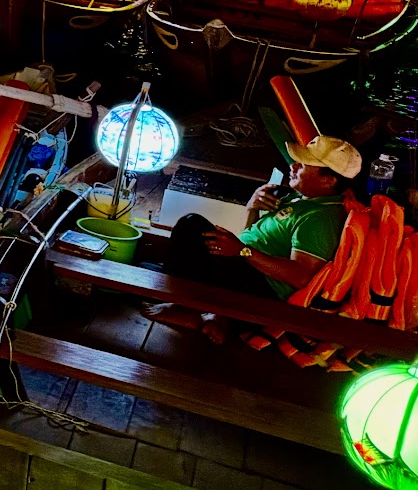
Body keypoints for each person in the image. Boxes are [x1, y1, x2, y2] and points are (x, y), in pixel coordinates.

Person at [146, 135, 361, 341]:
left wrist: (242, 251)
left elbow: (301, 275)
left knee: (191, 226)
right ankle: (220, 319)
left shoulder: (321, 219)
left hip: (262, 291)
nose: (293, 167)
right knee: (194, 240)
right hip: (249, 270)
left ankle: (181, 307)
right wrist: (252, 208)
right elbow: (253, 238)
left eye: (302, 166)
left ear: (328, 181)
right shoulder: (301, 199)